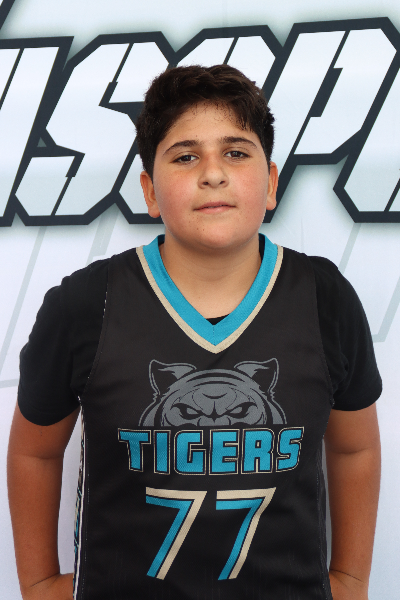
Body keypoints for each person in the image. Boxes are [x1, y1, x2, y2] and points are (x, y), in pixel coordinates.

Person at [8, 65, 381, 600]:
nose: (213, 174)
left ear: (271, 183)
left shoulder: (325, 298)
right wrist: (40, 583)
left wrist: (351, 580)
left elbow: (354, 448)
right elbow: (35, 452)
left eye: (236, 152)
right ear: (149, 191)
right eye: (185, 156)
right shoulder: (87, 304)